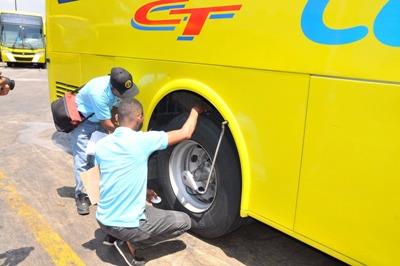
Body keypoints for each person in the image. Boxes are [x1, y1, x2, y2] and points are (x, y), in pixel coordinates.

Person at [95, 98, 201, 265]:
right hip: (125, 225)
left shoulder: (101, 144)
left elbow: (113, 178)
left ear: (117, 119)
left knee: (144, 211)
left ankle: (114, 235)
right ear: (140, 118)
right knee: (184, 222)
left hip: (102, 219)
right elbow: (185, 133)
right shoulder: (143, 140)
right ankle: (133, 241)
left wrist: (143, 192)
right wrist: (196, 109)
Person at [72, 67, 139, 215]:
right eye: (122, 94)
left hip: (97, 119)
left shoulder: (116, 86)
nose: (124, 96)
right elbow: (106, 123)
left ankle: (96, 191)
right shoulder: (99, 94)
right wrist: (126, 132)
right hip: (83, 122)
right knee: (83, 158)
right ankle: (81, 195)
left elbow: (115, 109)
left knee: (98, 157)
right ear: (113, 89)